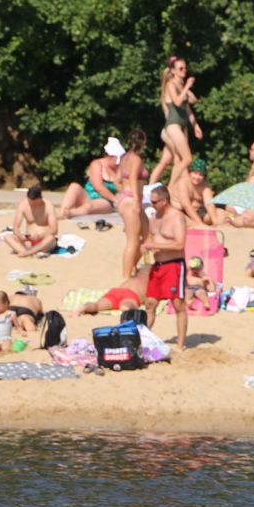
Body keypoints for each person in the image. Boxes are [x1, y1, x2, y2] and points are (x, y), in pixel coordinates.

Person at [142, 185, 188, 350]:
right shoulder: (154, 217)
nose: (151, 204)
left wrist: (155, 245)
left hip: (173, 265)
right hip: (157, 265)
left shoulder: (177, 217)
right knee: (150, 303)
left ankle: (180, 344)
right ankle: (144, 339)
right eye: (150, 201)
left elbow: (180, 244)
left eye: (154, 202)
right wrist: (146, 245)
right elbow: (151, 236)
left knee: (177, 304)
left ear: (164, 200)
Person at [152, 56, 202, 190]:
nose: (184, 70)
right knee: (187, 159)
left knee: (169, 160)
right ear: (173, 71)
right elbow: (177, 102)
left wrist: (195, 125)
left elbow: (190, 105)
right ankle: (170, 188)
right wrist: (187, 87)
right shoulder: (171, 85)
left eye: (185, 68)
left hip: (182, 127)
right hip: (173, 127)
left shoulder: (181, 87)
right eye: (180, 68)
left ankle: (154, 187)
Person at [58, 138, 124, 219]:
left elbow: (122, 188)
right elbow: (98, 186)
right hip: (87, 196)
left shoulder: (120, 170)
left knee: (90, 206)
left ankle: (71, 213)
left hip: (104, 201)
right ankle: (63, 211)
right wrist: (116, 199)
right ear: (109, 156)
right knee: (74, 186)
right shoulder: (97, 164)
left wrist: (118, 200)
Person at [118, 128, 150, 278]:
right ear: (143, 142)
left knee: (148, 237)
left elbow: (118, 179)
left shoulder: (124, 158)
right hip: (132, 200)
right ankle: (126, 276)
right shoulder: (136, 159)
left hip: (127, 198)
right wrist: (137, 201)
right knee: (133, 241)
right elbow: (132, 179)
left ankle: (132, 267)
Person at [3, 186, 59, 258]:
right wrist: (21, 236)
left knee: (51, 237)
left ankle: (27, 252)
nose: (33, 206)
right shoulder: (23, 205)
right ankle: (26, 252)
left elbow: (54, 230)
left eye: (36, 203)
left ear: (40, 198)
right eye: (31, 203)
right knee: (7, 236)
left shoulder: (48, 205)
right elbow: (16, 228)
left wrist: (39, 236)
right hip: (29, 241)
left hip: (44, 242)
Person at [74, 265, 150, 317]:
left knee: (97, 306)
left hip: (116, 291)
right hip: (131, 295)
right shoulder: (149, 282)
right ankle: (126, 308)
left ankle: (85, 307)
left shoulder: (133, 278)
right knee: (130, 306)